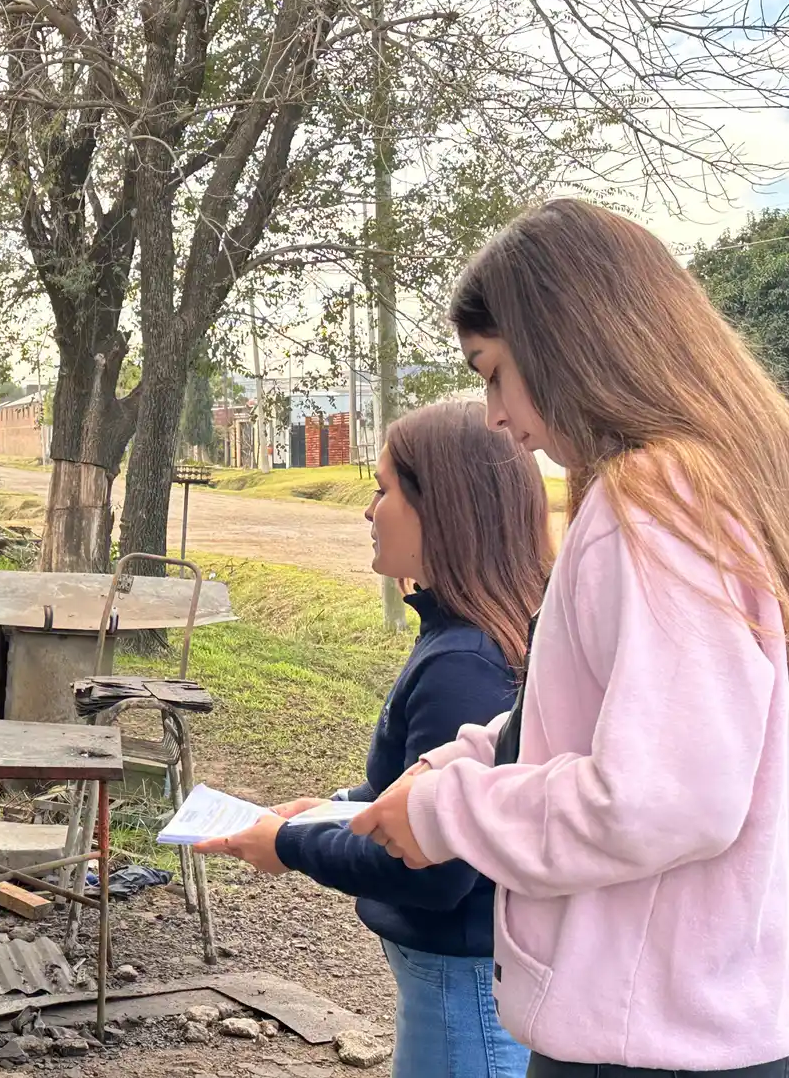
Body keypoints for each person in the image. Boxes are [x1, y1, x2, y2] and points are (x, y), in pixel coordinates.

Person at [350, 199, 789, 1076]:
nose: (492, 416)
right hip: (706, 1013)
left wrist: (448, 813)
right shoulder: (727, 483)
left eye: (493, 371)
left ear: (566, 342)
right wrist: (459, 759)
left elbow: (664, 795)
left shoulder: (656, 498)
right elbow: (594, 723)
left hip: (647, 1040)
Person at [197, 400, 549, 1078]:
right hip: (458, 992)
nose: (368, 510)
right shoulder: (463, 636)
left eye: (384, 489)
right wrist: (330, 807)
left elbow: (439, 864)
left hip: (464, 1004)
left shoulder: (463, 662)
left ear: (441, 507)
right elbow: (413, 789)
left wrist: (288, 845)